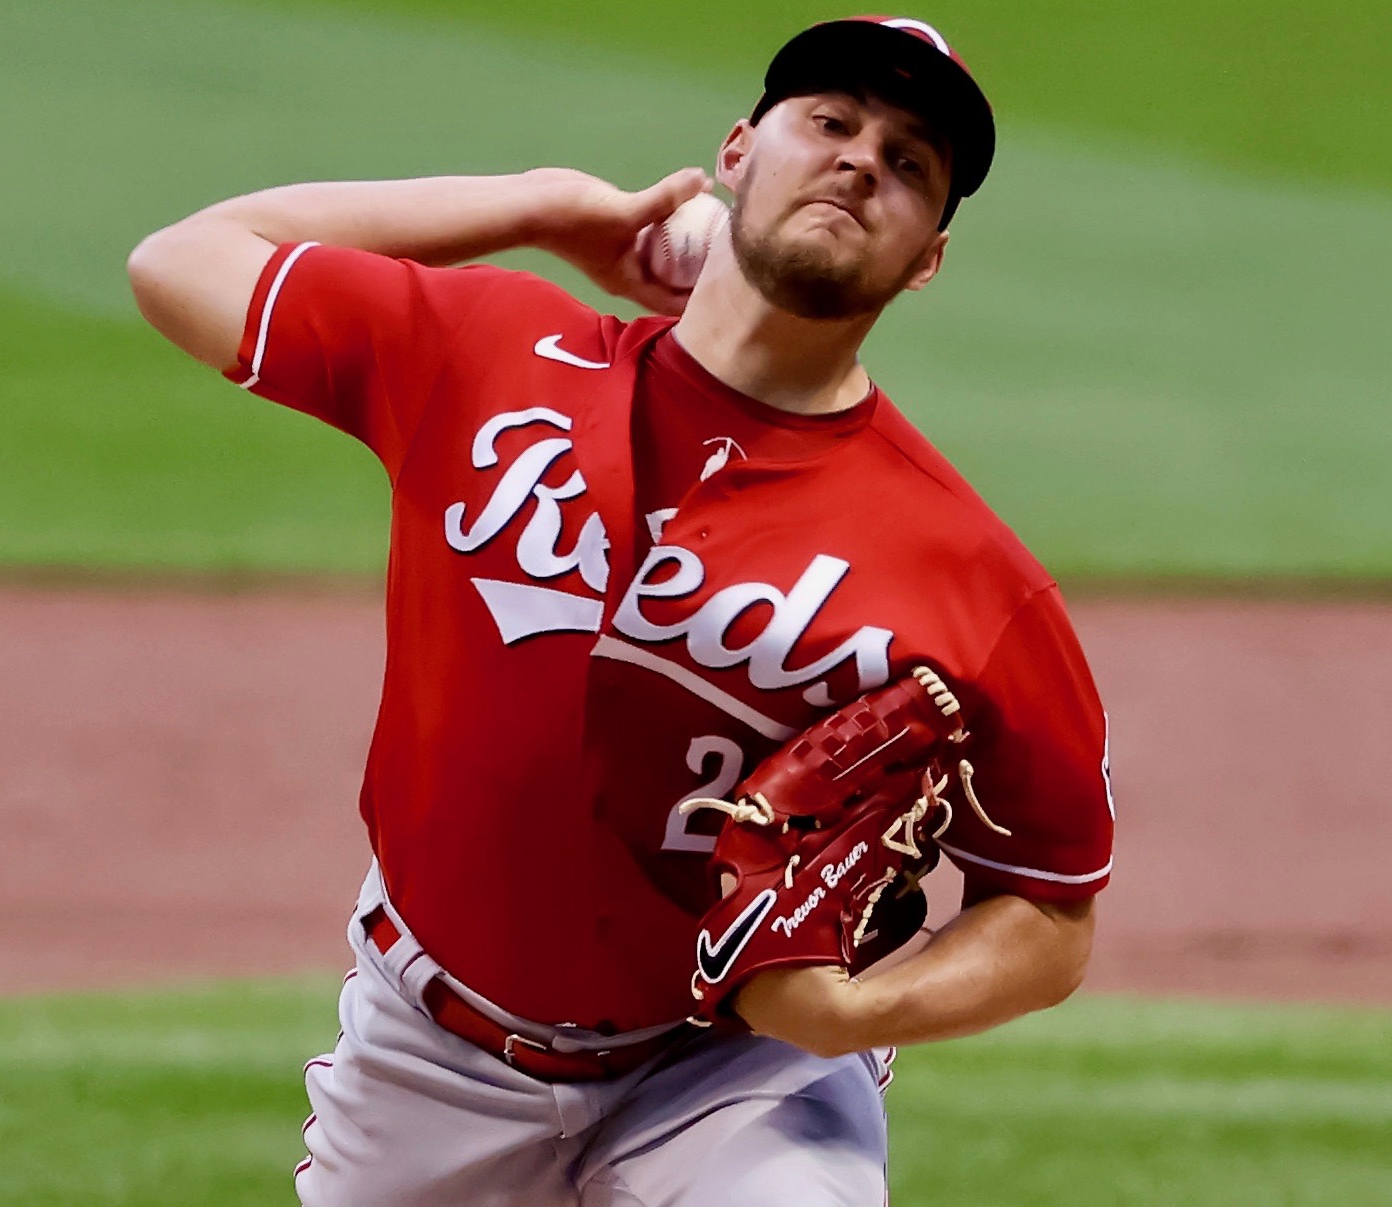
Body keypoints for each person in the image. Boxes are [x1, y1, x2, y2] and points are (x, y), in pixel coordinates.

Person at [128, 15, 1114, 1206]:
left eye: (910, 163)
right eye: (830, 123)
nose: (861, 161)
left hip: (733, 1075)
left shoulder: (966, 571)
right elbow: (183, 259)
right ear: (737, 152)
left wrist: (855, 1008)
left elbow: (1049, 912)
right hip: (425, 1054)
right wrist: (541, 207)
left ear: (925, 262)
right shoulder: (488, 352)